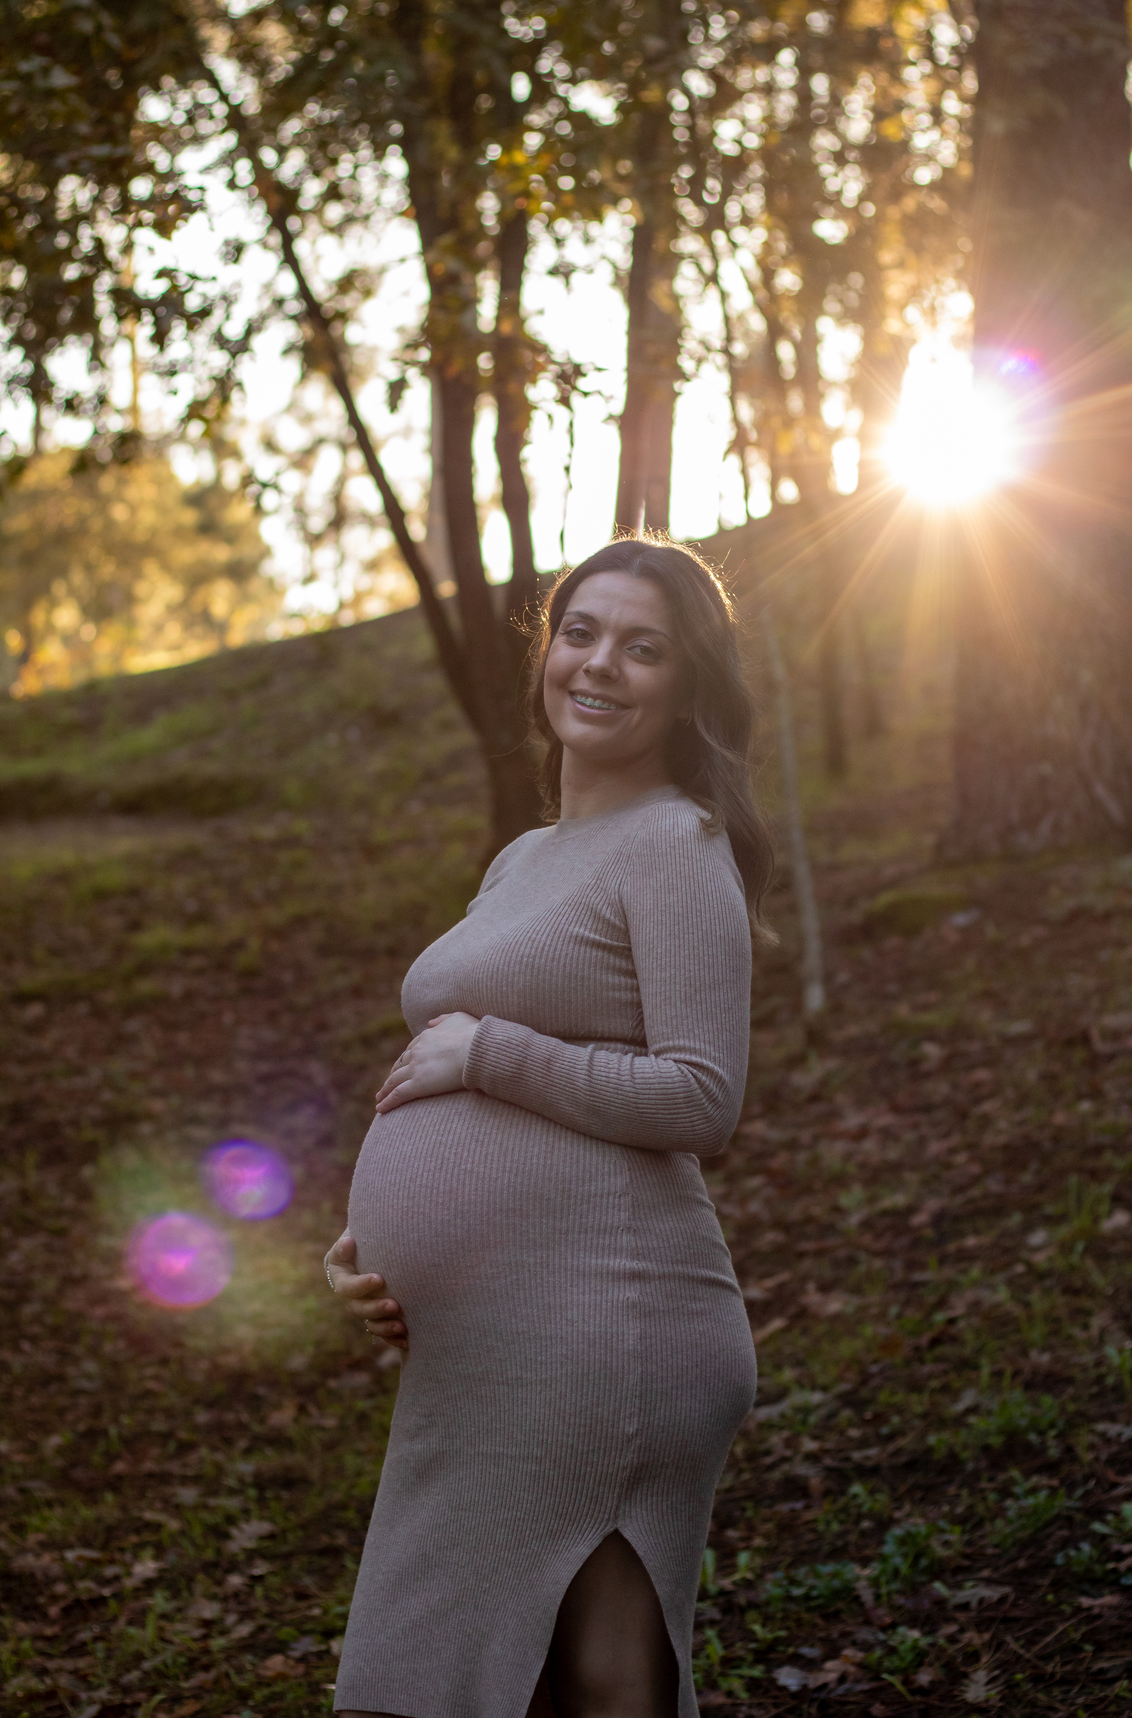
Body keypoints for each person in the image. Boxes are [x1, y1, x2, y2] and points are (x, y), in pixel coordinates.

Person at [323, 536, 773, 1718]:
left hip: (607, 1329)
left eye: (644, 648)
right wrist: (369, 1254)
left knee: (591, 1688)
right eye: (581, 633)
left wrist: (491, 1052)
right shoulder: (525, 857)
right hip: (489, 1350)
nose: (601, 665)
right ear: (545, 652)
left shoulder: (679, 845)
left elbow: (700, 1095)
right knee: (440, 1674)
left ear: (688, 686)